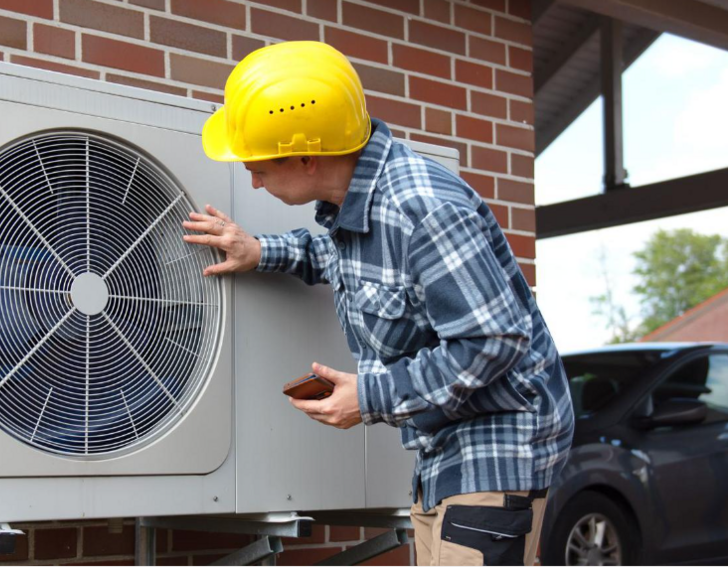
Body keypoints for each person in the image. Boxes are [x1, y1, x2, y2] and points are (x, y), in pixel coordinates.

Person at [181, 41, 575, 567]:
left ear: (306, 155)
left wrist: (369, 396)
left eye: (260, 166)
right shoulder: (364, 204)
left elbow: (492, 341)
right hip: (444, 447)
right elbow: (353, 259)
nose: (253, 179)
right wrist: (260, 251)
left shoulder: (425, 208)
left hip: (498, 443)